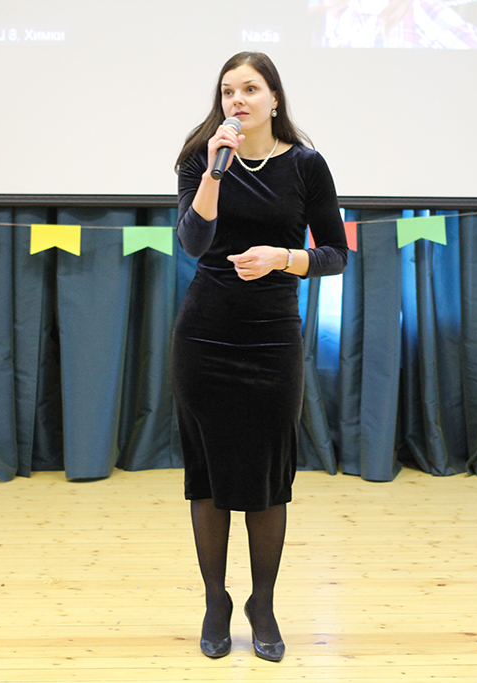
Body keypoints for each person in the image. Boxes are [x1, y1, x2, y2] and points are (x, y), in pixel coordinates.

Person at [172, 51, 348, 662]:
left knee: (270, 478)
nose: (237, 100)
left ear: (274, 98)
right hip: (205, 335)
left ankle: (263, 604)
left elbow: (335, 254)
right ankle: (215, 601)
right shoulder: (201, 158)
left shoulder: (306, 165)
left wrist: (282, 258)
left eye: (249, 89)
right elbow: (194, 242)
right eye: (227, 91)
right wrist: (214, 174)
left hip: (273, 337)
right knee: (207, 475)